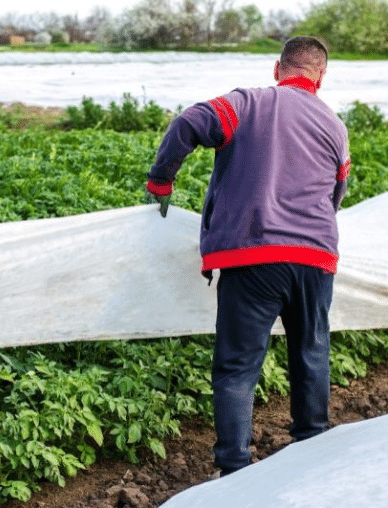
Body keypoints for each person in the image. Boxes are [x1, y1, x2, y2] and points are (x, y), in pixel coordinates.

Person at [145, 35, 351, 476]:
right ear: (322, 76)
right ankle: (312, 452)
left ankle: (234, 469)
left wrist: (161, 180)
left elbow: (187, 124)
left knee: (238, 365)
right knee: (311, 351)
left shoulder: (245, 104)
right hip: (316, 258)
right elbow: (338, 190)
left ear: (278, 69)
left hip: (255, 255)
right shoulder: (335, 125)